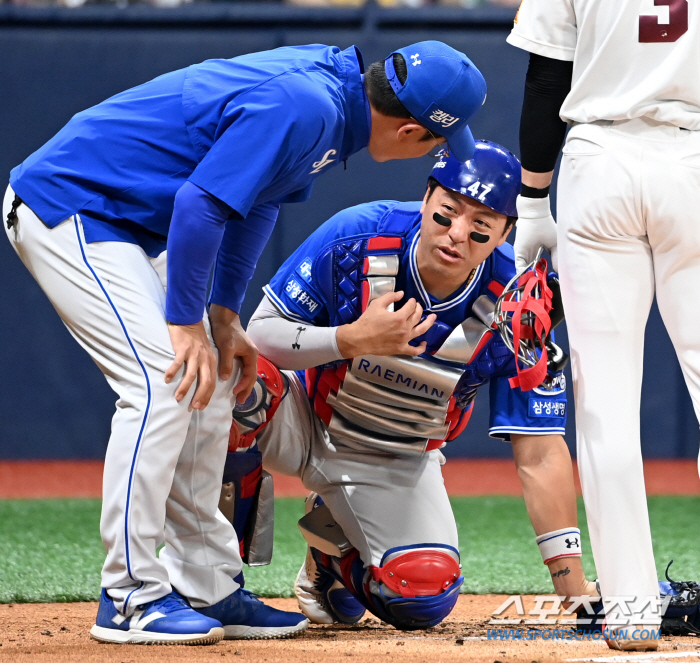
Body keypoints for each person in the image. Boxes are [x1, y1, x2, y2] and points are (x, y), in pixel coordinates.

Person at [2, 41, 487, 645]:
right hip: (74, 207)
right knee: (163, 383)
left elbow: (256, 205)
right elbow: (200, 205)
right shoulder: (306, 105)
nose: (439, 151)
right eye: (439, 140)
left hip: (130, 226)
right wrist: (185, 323)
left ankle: (209, 585)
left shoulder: (332, 100)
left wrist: (223, 317)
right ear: (413, 129)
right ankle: (128, 596)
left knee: (215, 382)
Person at [225, 143, 598, 630]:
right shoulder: (357, 235)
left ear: (506, 233)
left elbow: (540, 452)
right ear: (426, 199)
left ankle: (333, 551)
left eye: (481, 227)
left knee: (422, 595)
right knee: (223, 375)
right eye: (446, 215)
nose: (457, 235)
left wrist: (573, 592)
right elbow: (260, 337)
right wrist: (351, 338)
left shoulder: (518, 309)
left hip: (397, 456)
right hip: (302, 417)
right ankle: (213, 583)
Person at [507, 0, 700, 651]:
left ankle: (632, 609)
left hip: (599, 159)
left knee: (606, 407)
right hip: (695, 157)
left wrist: (532, 200)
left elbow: (544, 76)